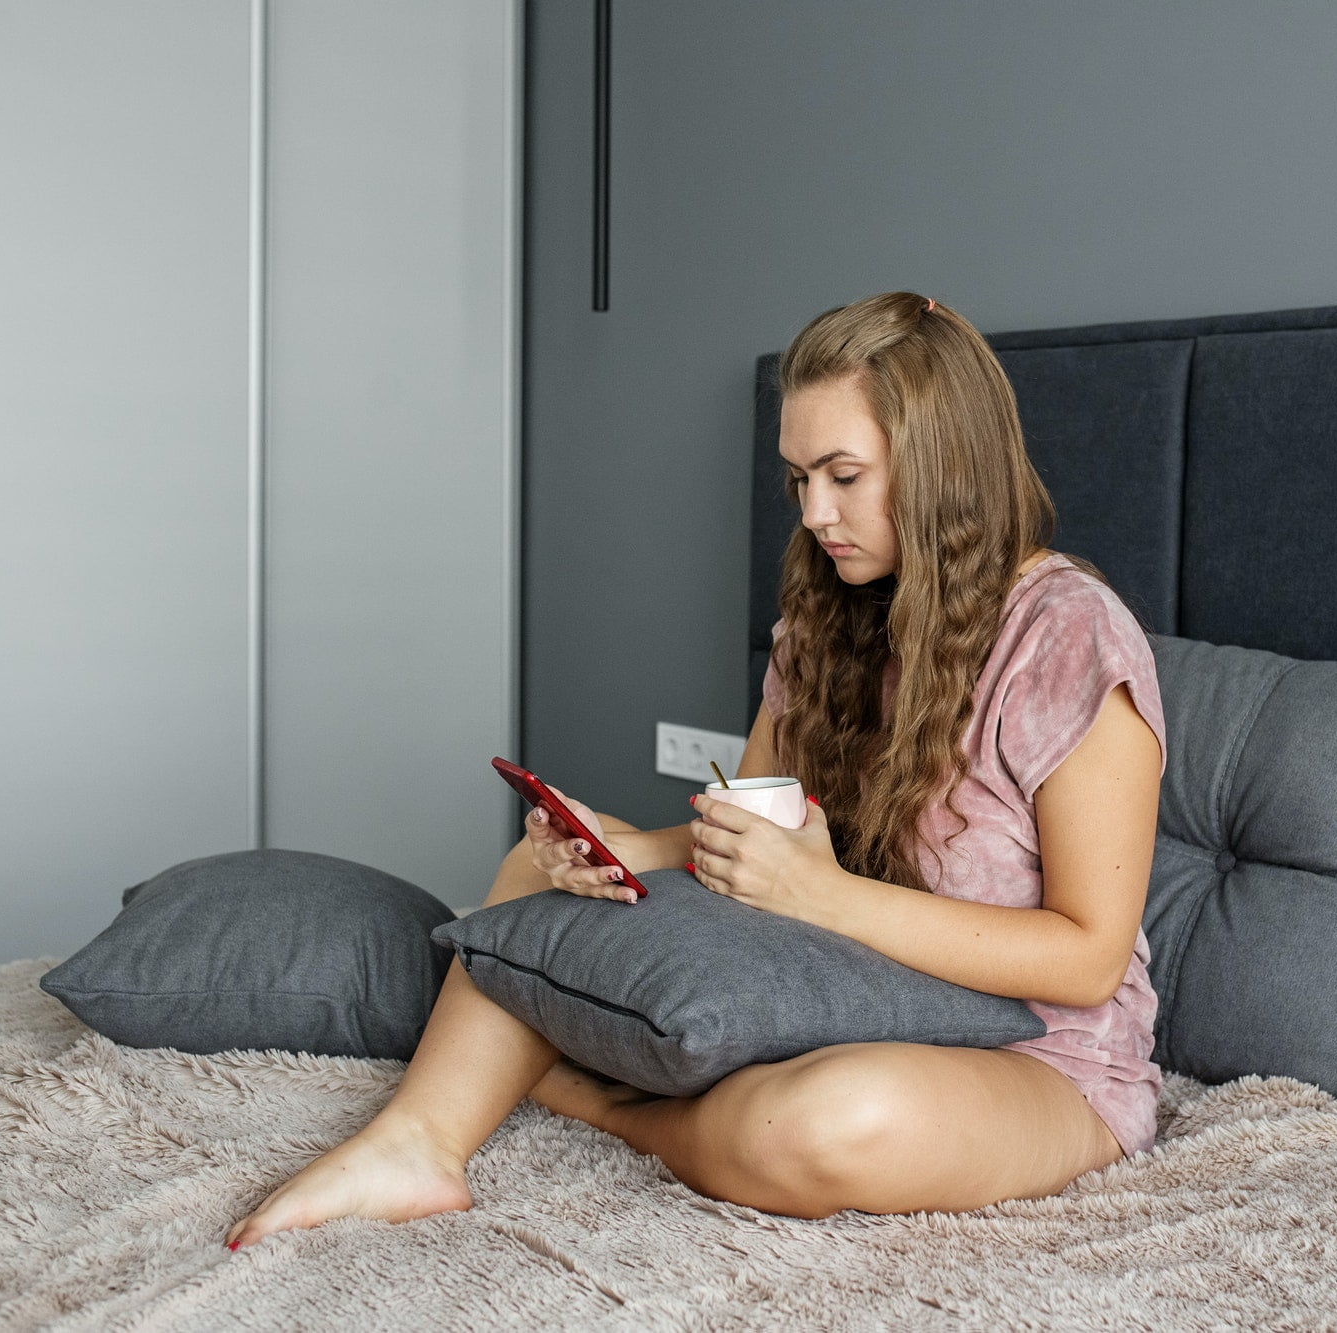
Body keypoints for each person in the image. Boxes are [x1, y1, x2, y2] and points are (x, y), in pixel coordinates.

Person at [224, 291, 1166, 1250]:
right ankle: (415, 1142)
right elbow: (750, 844)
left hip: (1042, 1052)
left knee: (821, 1123)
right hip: (844, 983)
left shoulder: (1069, 637)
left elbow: (1086, 958)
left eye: (844, 475)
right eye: (799, 477)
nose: (815, 514)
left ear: (945, 466)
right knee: (527, 883)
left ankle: (604, 1103)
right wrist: (616, 847)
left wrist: (826, 897)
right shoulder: (827, 618)